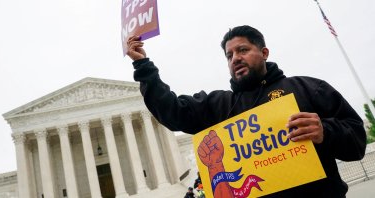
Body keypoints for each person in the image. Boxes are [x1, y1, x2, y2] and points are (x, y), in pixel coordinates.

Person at [126, 25, 366, 197]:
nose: (235, 59)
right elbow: (171, 112)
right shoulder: (218, 105)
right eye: (229, 55)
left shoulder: (307, 88)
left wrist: (325, 131)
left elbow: (357, 141)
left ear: (264, 53)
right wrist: (143, 67)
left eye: (243, 50)